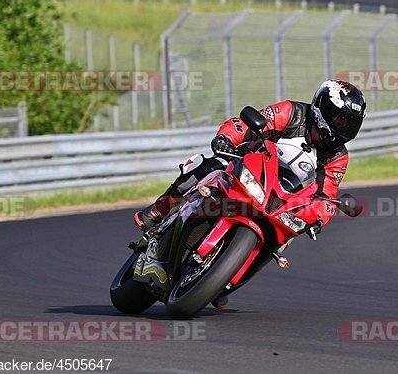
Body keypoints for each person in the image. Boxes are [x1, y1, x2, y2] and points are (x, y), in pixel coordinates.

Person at [133, 80, 366, 307]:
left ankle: (223, 279)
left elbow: (327, 195)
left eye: (350, 123)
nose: (343, 126)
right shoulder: (292, 113)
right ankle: (159, 209)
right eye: (340, 118)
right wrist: (226, 139)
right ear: (321, 108)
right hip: (246, 166)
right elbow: (243, 125)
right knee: (208, 165)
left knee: (284, 241)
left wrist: (319, 217)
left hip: (283, 199)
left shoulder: (337, 157)